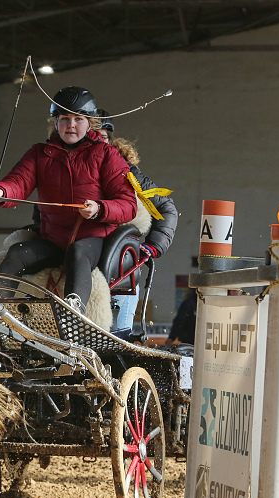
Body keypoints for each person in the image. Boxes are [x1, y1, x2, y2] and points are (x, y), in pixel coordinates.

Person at [0, 87, 137, 313]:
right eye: (64, 118)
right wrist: (0, 193)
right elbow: (19, 181)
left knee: (78, 252)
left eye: (78, 119)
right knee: (17, 252)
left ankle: (73, 313)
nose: (71, 125)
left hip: (92, 241)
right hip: (53, 241)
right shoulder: (39, 153)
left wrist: (99, 209)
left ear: (90, 123)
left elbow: (128, 205)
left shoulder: (107, 155)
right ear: (56, 122)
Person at [96, 109, 179, 338]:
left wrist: (153, 246)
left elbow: (166, 207)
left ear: (110, 142)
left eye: (101, 138)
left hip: (120, 272)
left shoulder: (129, 175)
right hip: (77, 269)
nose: (96, 145)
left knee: (114, 344)